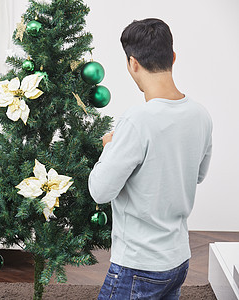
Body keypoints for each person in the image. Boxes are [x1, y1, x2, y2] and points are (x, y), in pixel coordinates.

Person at [88, 18, 212, 299]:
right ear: (173, 57)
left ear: (133, 63)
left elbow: (100, 190)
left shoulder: (137, 120)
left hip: (138, 265)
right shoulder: (200, 114)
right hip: (177, 259)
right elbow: (199, 175)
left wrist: (109, 145)